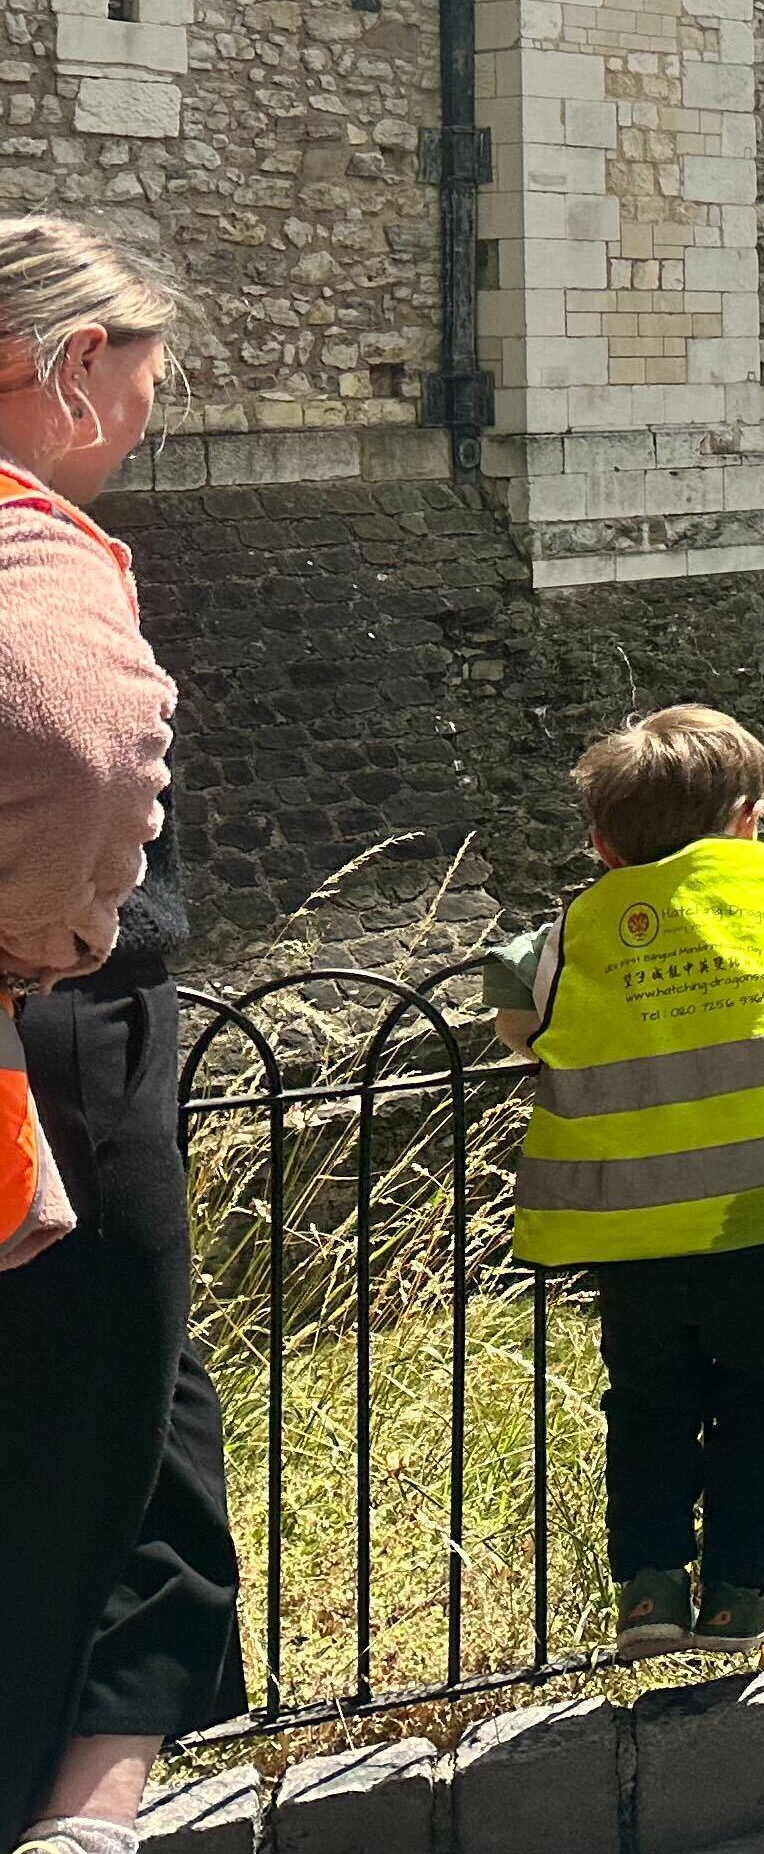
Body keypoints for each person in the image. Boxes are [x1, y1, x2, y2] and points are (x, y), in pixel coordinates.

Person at [0, 223, 243, 1852]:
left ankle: (93, 1797)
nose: (146, 415)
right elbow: (86, 749)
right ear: (74, 364)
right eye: (142, 379)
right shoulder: (29, 537)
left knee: (157, 1395)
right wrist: (55, 928)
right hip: (58, 1036)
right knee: (79, 1413)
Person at [490, 706, 764, 1652]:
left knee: (650, 1403)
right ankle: (743, 1592)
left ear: (602, 846)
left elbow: (517, 1015)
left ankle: (651, 1590)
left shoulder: (574, 932)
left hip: (638, 1228)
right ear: (750, 819)